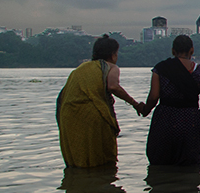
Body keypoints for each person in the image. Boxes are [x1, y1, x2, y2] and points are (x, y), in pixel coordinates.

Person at [57, 35, 140, 168]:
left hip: (69, 117)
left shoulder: (80, 69)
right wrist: (135, 104)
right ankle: (103, 181)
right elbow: (113, 86)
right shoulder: (110, 67)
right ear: (113, 55)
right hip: (93, 115)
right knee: (100, 159)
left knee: (79, 158)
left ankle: (80, 183)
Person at [139, 35, 200, 166]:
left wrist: (145, 110)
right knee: (189, 164)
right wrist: (197, 120)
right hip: (190, 119)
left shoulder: (160, 69)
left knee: (161, 162)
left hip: (165, 118)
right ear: (192, 51)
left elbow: (153, 97)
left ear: (173, 51)